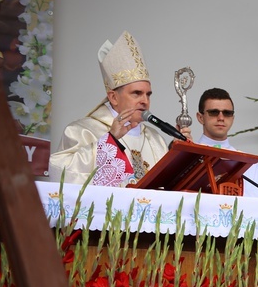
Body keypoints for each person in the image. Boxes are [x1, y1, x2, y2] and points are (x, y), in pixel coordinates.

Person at [49, 31, 191, 187]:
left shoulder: (155, 139)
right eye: (136, 93)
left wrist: (177, 154)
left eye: (148, 94)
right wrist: (110, 141)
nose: (144, 101)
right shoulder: (82, 131)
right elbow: (59, 173)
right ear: (113, 97)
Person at [194, 87, 258, 198]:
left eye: (227, 113)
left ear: (233, 118)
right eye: (214, 112)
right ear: (200, 117)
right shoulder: (189, 156)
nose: (221, 118)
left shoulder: (249, 164)